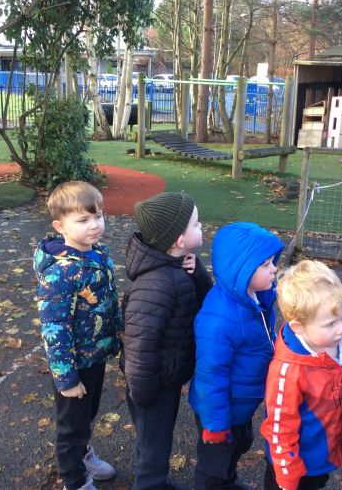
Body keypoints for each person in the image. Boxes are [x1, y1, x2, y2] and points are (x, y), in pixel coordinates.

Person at [33, 181, 123, 490]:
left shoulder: (96, 255)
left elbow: (108, 301)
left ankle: (83, 455)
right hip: (74, 364)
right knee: (71, 426)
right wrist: (66, 378)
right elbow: (55, 329)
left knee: (87, 414)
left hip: (95, 353)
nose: (94, 225)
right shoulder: (60, 273)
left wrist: (118, 334)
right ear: (60, 227)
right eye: (83, 220)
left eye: (98, 216)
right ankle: (74, 481)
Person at [122, 191, 212, 490]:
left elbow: (204, 304)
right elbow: (140, 344)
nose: (202, 227)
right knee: (153, 448)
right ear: (179, 239)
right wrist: (144, 393)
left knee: (154, 442)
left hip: (165, 378)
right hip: (152, 385)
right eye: (196, 224)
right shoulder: (155, 284)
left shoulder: (178, 267)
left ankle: (157, 480)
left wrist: (199, 274)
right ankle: (150, 483)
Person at [188, 222, 284, 489]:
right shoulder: (220, 319)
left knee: (240, 444)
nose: (274, 269)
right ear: (240, 270)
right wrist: (215, 425)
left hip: (242, 402)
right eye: (265, 264)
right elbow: (211, 376)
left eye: (272, 262)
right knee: (214, 468)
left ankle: (228, 480)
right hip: (220, 410)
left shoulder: (256, 298)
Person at [261, 260, 342, 490]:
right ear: (298, 327)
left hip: (323, 453)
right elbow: (280, 427)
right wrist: (287, 477)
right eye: (330, 323)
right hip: (295, 464)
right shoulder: (288, 371)